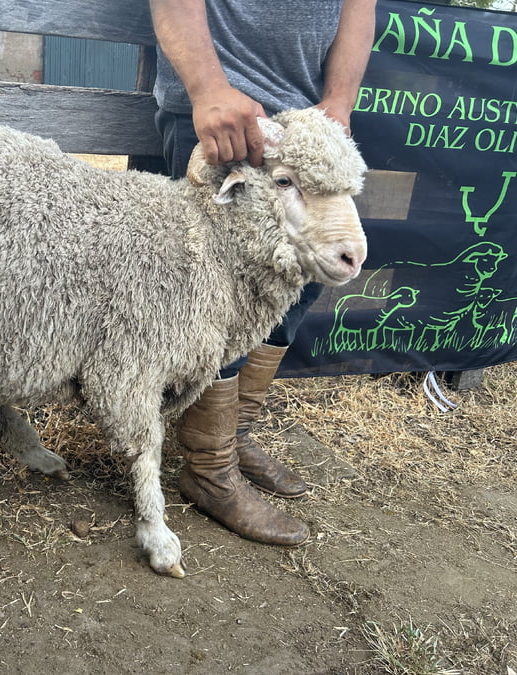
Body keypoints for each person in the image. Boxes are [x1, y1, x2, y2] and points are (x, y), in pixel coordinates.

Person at [150, 0, 377, 546]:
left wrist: (339, 104)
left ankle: (233, 434)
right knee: (219, 302)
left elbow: (359, 5)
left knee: (294, 287)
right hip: (226, 118)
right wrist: (206, 89)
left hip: (306, 127)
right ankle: (208, 470)